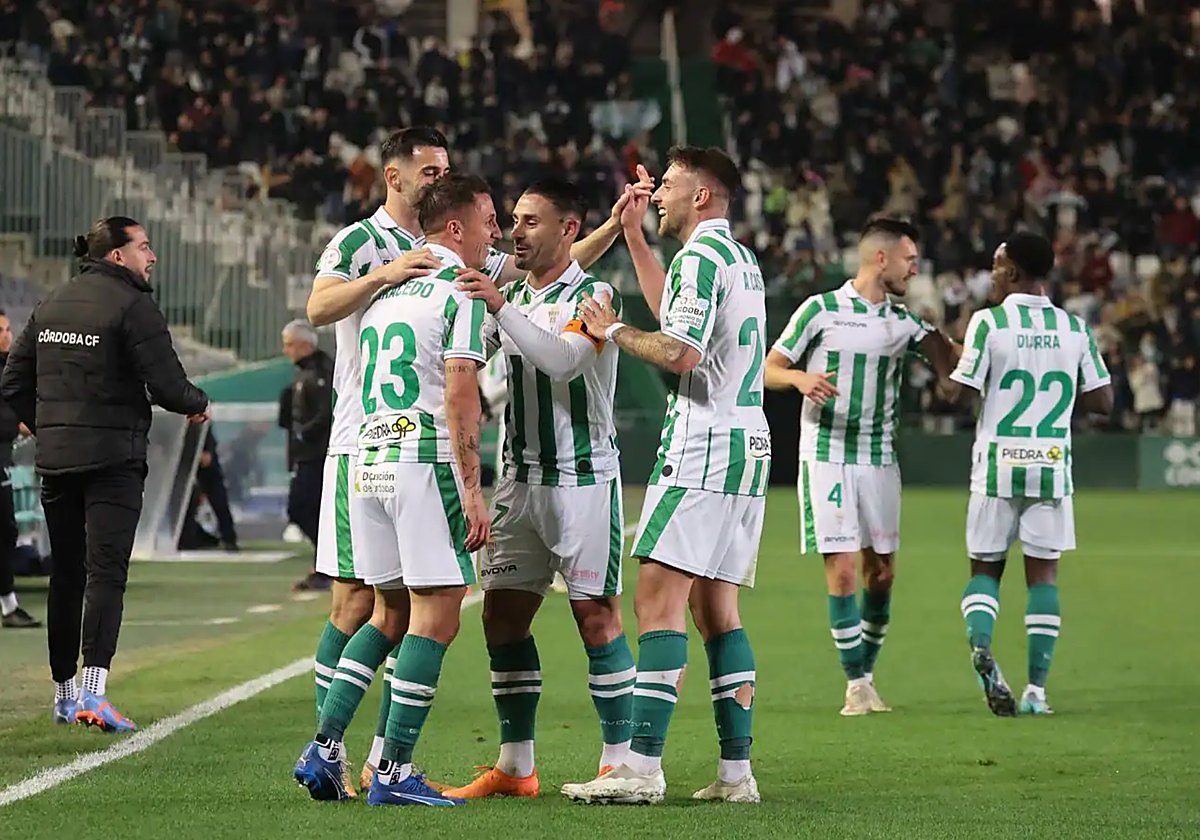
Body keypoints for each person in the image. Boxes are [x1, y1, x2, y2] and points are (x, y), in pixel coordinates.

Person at [563, 147, 767, 805]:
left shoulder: (703, 257)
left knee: (655, 598)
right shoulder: (735, 257)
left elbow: (678, 351)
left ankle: (642, 769)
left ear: (701, 196)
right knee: (718, 610)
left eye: (671, 185)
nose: (660, 194)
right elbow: (677, 316)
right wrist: (631, 237)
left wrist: (612, 327)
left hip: (705, 445)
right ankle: (736, 777)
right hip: (747, 445)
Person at [293, 173, 497, 806]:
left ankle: (325, 749)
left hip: (370, 458)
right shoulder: (458, 290)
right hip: (422, 458)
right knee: (436, 618)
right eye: (489, 218)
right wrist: (471, 485)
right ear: (456, 228)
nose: (497, 232)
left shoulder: (388, 290)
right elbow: (462, 389)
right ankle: (392, 770)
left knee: (386, 614)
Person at [442, 178, 634, 799]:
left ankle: (618, 762)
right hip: (519, 484)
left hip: (583, 483)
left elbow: (560, 360)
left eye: (529, 221)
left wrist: (500, 307)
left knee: (595, 616)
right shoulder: (515, 295)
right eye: (513, 221)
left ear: (567, 230)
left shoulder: (597, 295)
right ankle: (517, 767)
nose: (513, 233)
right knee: (501, 619)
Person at [0, 216, 210, 732]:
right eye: (144, 247)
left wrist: (46, 427)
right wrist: (197, 402)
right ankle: (94, 690)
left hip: (58, 460)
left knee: (66, 575)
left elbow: (12, 381)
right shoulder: (133, 305)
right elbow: (167, 384)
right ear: (118, 255)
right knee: (106, 573)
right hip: (113, 459)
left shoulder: (51, 303)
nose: (152, 256)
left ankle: (64, 695)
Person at [764, 217, 960, 716]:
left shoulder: (906, 322)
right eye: (909, 259)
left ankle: (866, 674)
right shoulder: (820, 310)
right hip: (826, 452)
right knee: (844, 568)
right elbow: (768, 368)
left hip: (878, 457)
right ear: (881, 258)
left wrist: (967, 336)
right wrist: (800, 378)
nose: (914, 269)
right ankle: (856, 682)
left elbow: (952, 371)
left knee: (882, 575)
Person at [946, 233, 1113, 716]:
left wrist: (940, 352)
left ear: (1014, 272)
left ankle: (982, 647)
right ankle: (1037, 692)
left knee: (985, 569)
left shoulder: (989, 324)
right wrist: (1054, 401)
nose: (992, 275)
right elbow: (1103, 401)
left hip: (997, 467)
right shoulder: (1074, 328)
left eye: (997, 267)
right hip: (1051, 467)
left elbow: (959, 393)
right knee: (1044, 577)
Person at [280, 319, 335, 591]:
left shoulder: (322, 371)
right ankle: (324, 565)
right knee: (304, 509)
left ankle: (327, 565)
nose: (286, 350)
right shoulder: (304, 373)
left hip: (319, 455)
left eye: (290, 344)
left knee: (304, 508)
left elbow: (327, 412)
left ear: (305, 343)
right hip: (307, 455)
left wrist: (306, 434)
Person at [0, 308, 39, 629]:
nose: (6, 335)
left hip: (3, 464)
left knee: (6, 531)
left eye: (8, 329)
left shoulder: (9, 370)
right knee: (4, 531)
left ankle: (9, 605)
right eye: (1, 330)